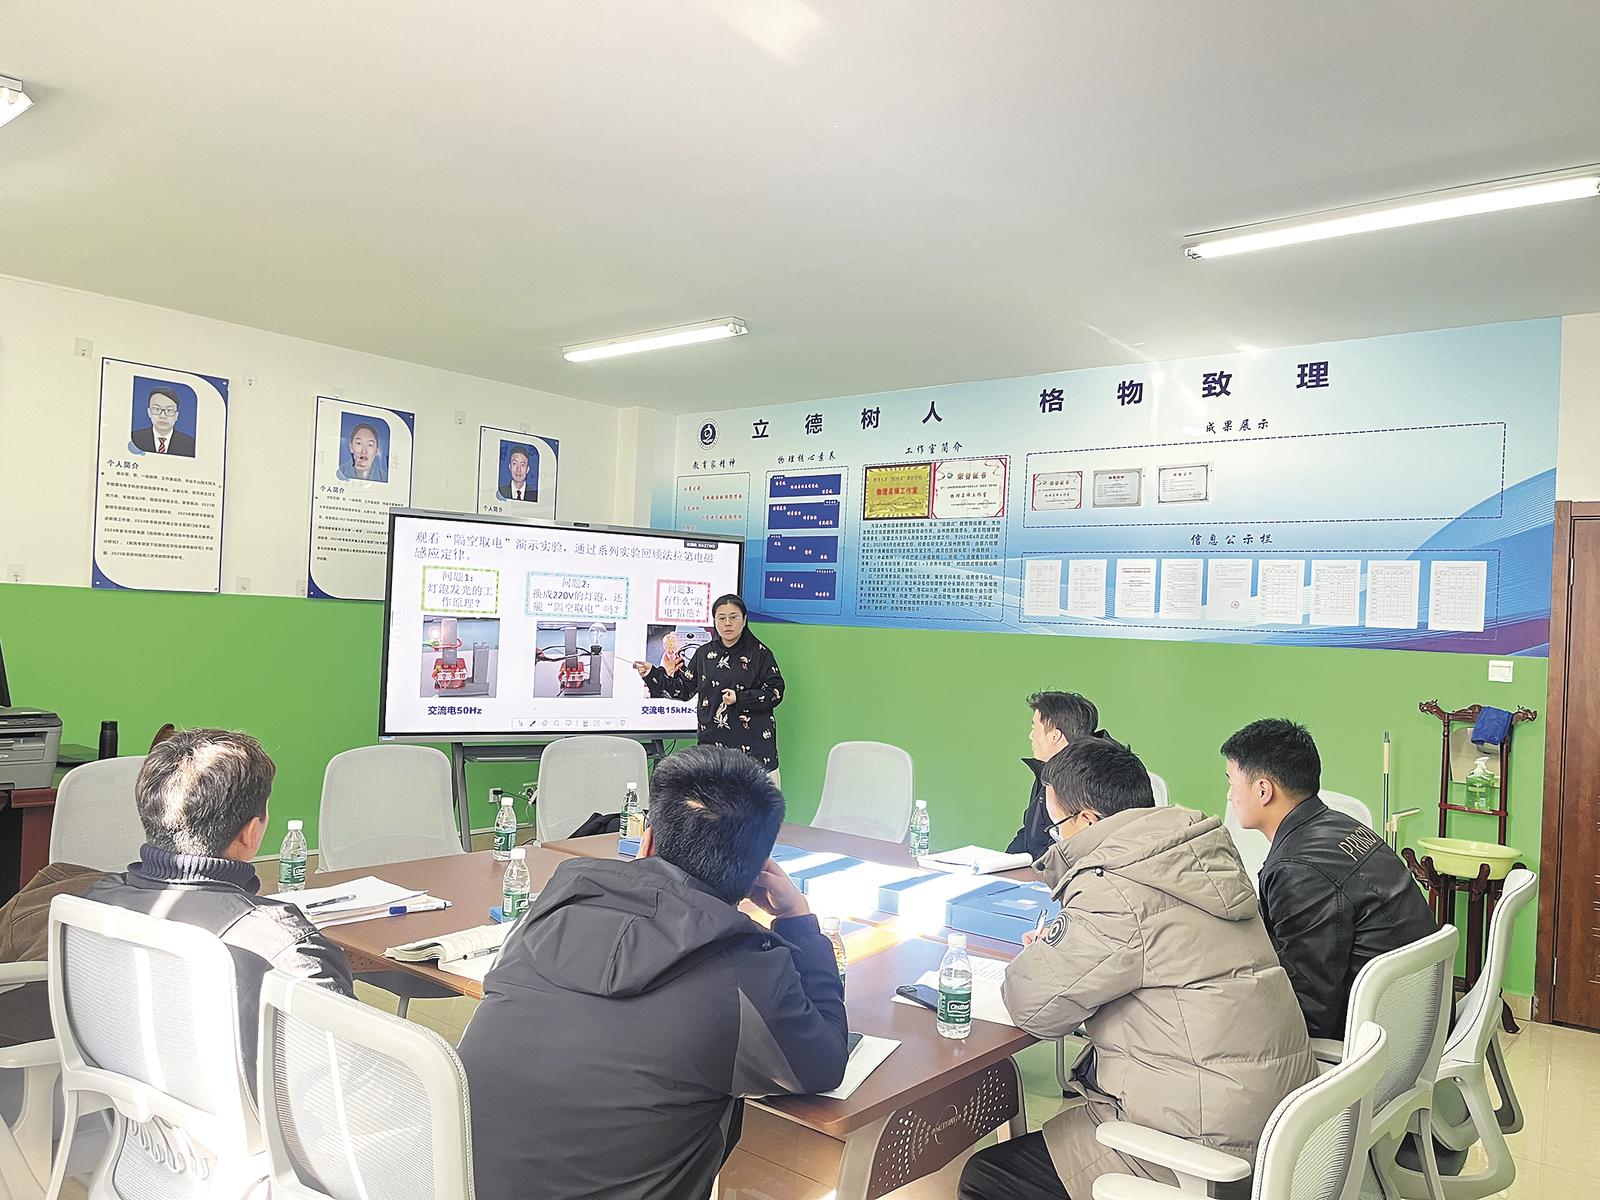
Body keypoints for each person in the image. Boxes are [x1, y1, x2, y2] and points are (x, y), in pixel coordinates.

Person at [459, 745, 847, 1200]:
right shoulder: (745, 971)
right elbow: (823, 1064)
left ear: (646, 842)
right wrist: (798, 920)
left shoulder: (548, 911)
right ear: (757, 874)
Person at [960, 738, 1316, 1200]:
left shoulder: (1116, 889)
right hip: (1278, 1131)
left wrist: (1042, 952)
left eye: (1056, 827)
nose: (1055, 840)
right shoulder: (1198, 856)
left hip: (1205, 1149)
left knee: (987, 1176)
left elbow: (1031, 1007)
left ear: (1089, 821)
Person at [83, 729, 354, 1089]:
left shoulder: (95, 902)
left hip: (123, 1111)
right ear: (251, 833)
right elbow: (343, 1083)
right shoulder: (287, 949)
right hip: (254, 1123)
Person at [1222, 718, 1437, 1041]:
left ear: (1263, 790)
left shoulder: (1298, 870)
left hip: (1376, 1038)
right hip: (1413, 1014)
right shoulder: (1345, 826)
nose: (1229, 796)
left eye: (1232, 782)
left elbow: (1309, 1012)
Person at [634, 594, 785, 779]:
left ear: (744, 619)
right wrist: (652, 673)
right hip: (713, 755)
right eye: (721, 618)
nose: (727, 623)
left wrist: (740, 698)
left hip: (755, 758)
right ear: (715, 621)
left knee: (756, 799)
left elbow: (775, 692)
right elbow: (683, 689)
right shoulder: (704, 653)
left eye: (734, 617)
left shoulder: (760, 654)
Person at [1008, 690, 1105, 859]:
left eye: (1034, 727)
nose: (1031, 735)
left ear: (1055, 735)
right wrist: (1004, 863)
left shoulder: (1094, 779)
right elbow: (1029, 833)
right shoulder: (1047, 769)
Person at [130, 387, 196, 457]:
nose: (162, 416)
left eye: (169, 410)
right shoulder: (134, 438)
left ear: (176, 415)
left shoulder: (191, 445)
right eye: (157, 409)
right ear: (149, 412)